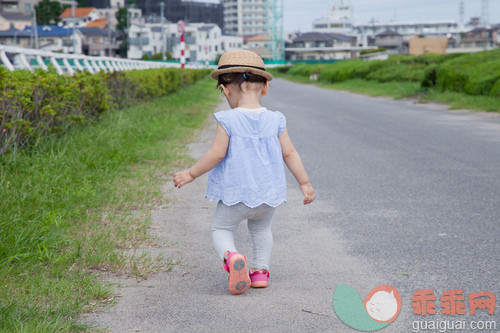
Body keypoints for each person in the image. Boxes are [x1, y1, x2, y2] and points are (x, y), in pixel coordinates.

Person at [173, 49, 314, 295]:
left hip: (235, 194)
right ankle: (260, 272)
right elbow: (290, 153)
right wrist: (304, 183)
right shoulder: (276, 119)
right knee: (261, 230)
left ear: (226, 90)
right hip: (268, 195)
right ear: (265, 87)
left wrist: (191, 174)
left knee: (221, 229)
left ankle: (232, 258)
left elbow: (216, 154)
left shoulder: (227, 119)